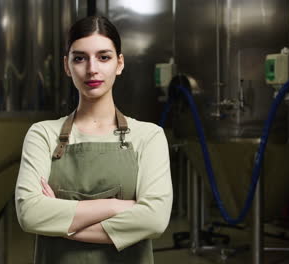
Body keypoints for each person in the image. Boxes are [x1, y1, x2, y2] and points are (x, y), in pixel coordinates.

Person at [15, 16, 173, 264]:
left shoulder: (149, 136)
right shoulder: (42, 134)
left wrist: (62, 223)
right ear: (67, 66)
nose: (92, 69)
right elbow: (29, 214)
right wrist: (114, 207)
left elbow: (154, 219)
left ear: (119, 64)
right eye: (79, 58)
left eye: (104, 57)